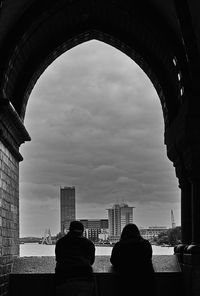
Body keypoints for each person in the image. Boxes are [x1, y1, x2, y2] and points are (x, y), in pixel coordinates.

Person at [110, 223, 156, 296]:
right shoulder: (146, 244)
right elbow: (149, 256)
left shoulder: (119, 245)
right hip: (145, 280)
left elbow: (113, 261)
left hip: (125, 281)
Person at [55, 220, 95, 296]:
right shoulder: (89, 243)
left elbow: (58, 259)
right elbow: (91, 261)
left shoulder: (61, 242)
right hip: (85, 279)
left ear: (70, 230)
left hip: (64, 279)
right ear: (82, 231)